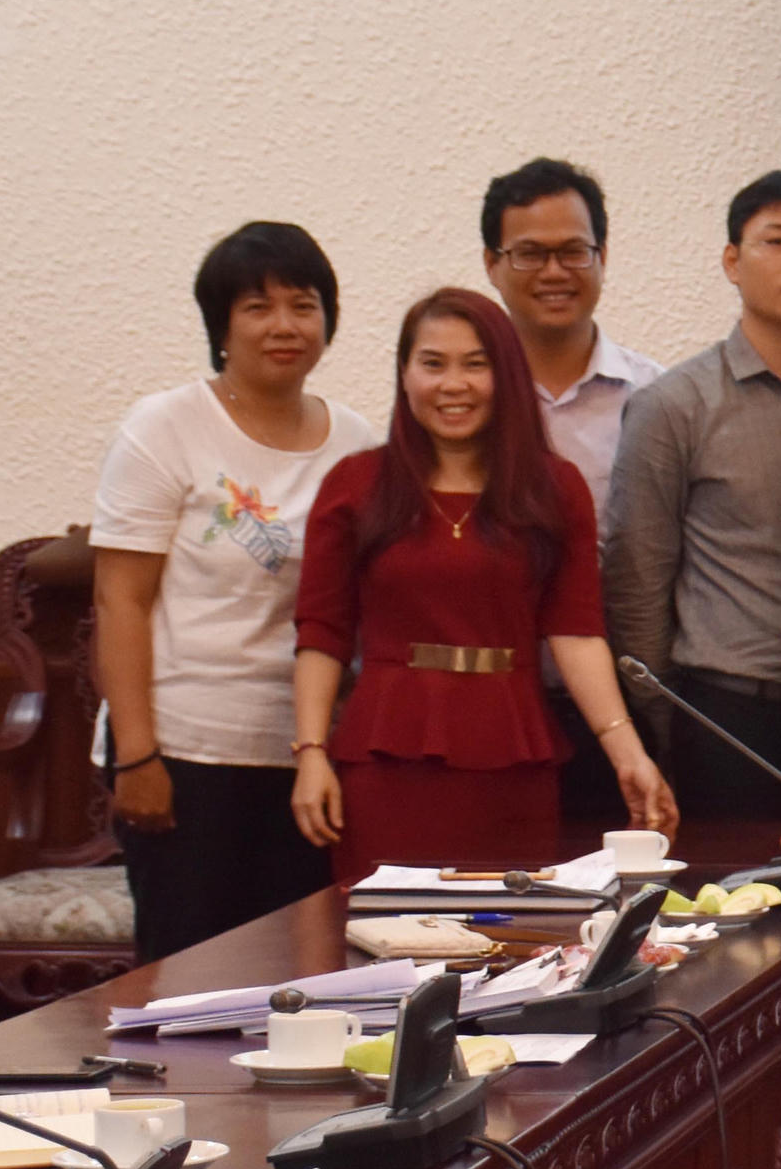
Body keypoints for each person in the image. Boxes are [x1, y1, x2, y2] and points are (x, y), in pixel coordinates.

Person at [288, 289, 672, 876]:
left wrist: (628, 753)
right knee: (385, 924)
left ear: (508, 375)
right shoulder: (355, 483)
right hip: (385, 758)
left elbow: (575, 630)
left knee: (509, 924)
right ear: (404, 374)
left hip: (513, 756)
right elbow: (323, 632)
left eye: (475, 364)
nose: (453, 384)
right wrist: (311, 752)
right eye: (432, 364)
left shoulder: (554, 488)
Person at [91, 223, 383, 958]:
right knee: (189, 979)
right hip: (186, 752)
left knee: (302, 971)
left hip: (306, 757)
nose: (285, 325)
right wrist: (137, 758)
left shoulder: (358, 443)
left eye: (303, 305)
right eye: (258, 307)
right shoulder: (165, 427)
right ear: (220, 326)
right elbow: (120, 601)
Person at [601, 171, 781, 820]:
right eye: (777, 241)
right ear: (732, 261)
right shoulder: (673, 405)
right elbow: (638, 578)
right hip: (727, 715)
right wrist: (668, 717)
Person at [482, 158, 662, 827]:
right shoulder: (460, 400)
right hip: (491, 704)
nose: (554, 272)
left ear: (603, 256)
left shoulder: (657, 399)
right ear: (491, 263)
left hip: (619, 708)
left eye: (574, 251)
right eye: (530, 253)